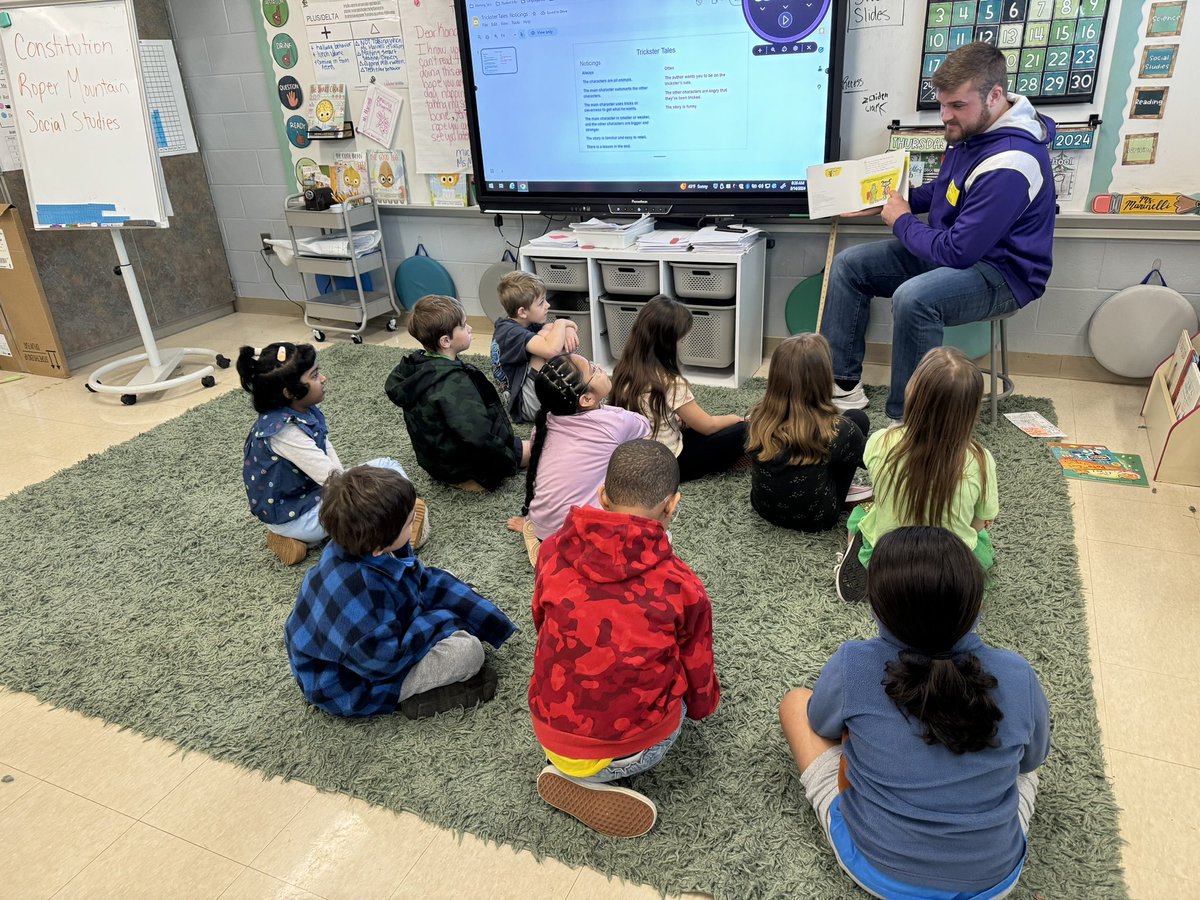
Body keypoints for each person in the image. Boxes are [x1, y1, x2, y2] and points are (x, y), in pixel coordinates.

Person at [780, 526, 1050, 898]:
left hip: (877, 869)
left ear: (878, 609)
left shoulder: (853, 664)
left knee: (796, 702)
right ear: (977, 603)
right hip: (993, 880)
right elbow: (1032, 761)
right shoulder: (1018, 674)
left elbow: (821, 723)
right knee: (1023, 765)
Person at [820, 41, 1055, 423]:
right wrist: (889, 199)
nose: (946, 116)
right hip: (957, 250)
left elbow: (958, 252)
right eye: (942, 104)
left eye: (957, 106)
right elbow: (945, 191)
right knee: (849, 266)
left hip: (1003, 273)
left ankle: (908, 422)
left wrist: (900, 220)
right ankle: (843, 387)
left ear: (995, 96)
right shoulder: (973, 132)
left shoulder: (1012, 161)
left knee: (916, 298)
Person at [530, 439, 721, 837]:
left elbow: (541, 621)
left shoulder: (550, 551)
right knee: (679, 695)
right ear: (672, 506)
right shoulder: (682, 585)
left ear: (602, 496)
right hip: (632, 750)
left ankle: (572, 771)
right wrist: (701, 707)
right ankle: (598, 777)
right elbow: (697, 667)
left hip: (549, 730)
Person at [284, 465, 516, 719]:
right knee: (469, 653)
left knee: (447, 581)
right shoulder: (359, 590)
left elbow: (418, 578)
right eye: (409, 523)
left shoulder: (358, 546)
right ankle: (406, 699)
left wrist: (461, 611)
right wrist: (446, 619)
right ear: (377, 547)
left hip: (374, 638)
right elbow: (385, 661)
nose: (414, 522)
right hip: (352, 683)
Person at [237, 342, 426, 566]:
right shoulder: (285, 433)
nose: (324, 378)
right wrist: (366, 500)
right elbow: (332, 478)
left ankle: (302, 539)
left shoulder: (298, 412)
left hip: (306, 501)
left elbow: (331, 465)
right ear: (290, 392)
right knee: (387, 469)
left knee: (385, 468)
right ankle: (386, 534)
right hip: (299, 517)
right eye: (315, 375)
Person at [835, 346, 997, 603]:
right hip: (948, 570)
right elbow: (977, 525)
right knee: (979, 541)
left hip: (890, 559)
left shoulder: (880, 442)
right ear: (970, 410)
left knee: (863, 514)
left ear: (913, 393)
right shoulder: (981, 460)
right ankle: (941, 595)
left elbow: (879, 485)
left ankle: (872, 575)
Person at [504, 353, 650, 567]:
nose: (600, 365)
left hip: (542, 530)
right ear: (587, 399)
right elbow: (644, 425)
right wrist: (606, 411)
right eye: (594, 369)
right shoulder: (611, 424)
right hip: (580, 536)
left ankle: (534, 532)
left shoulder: (544, 423)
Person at [385, 294, 530, 492]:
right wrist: (507, 460)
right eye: (463, 325)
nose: (470, 328)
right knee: (541, 450)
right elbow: (478, 437)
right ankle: (468, 481)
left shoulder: (418, 367)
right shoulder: (453, 384)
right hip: (463, 468)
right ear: (446, 341)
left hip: (439, 463)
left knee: (531, 445)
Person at [609, 296, 747, 481]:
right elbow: (708, 426)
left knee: (688, 423)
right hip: (669, 465)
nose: (682, 346)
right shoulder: (669, 382)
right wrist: (736, 418)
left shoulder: (623, 369)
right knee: (744, 429)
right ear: (667, 344)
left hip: (636, 458)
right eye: (681, 341)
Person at [746, 333, 872, 532]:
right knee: (859, 418)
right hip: (819, 518)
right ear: (823, 380)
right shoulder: (839, 429)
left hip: (762, 507)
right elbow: (874, 460)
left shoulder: (756, 418)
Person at [491, 270, 579, 422]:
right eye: (541, 303)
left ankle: (569, 386)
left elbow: (554, 332)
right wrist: (562, 323)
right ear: (522, 312)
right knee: (547, 338)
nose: (548, 305)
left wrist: (568, 328)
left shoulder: (522, 323)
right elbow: (550, 350)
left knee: (549, 333)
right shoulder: (511, 333)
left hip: (529, 395)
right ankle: (568, 389)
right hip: (526, 406)